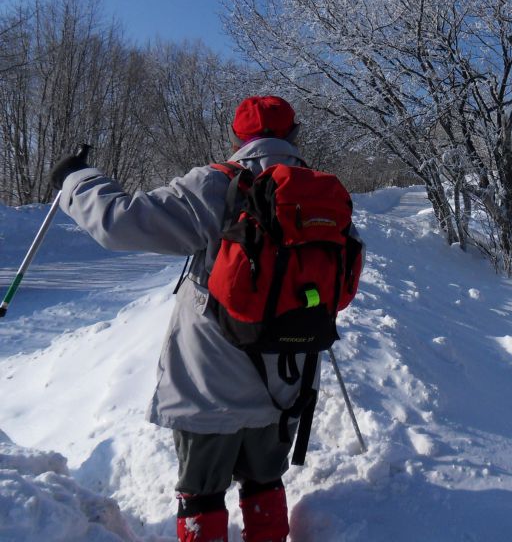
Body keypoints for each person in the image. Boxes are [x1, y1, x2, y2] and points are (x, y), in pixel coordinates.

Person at [50, 95, 359, 542]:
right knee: (264, 483)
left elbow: (119, 222)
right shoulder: (325, 193)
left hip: (209, 383)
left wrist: (76, 180)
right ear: (294, 135)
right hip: (287, 380)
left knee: (201, 495)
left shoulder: (216, 185)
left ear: (239, 137)